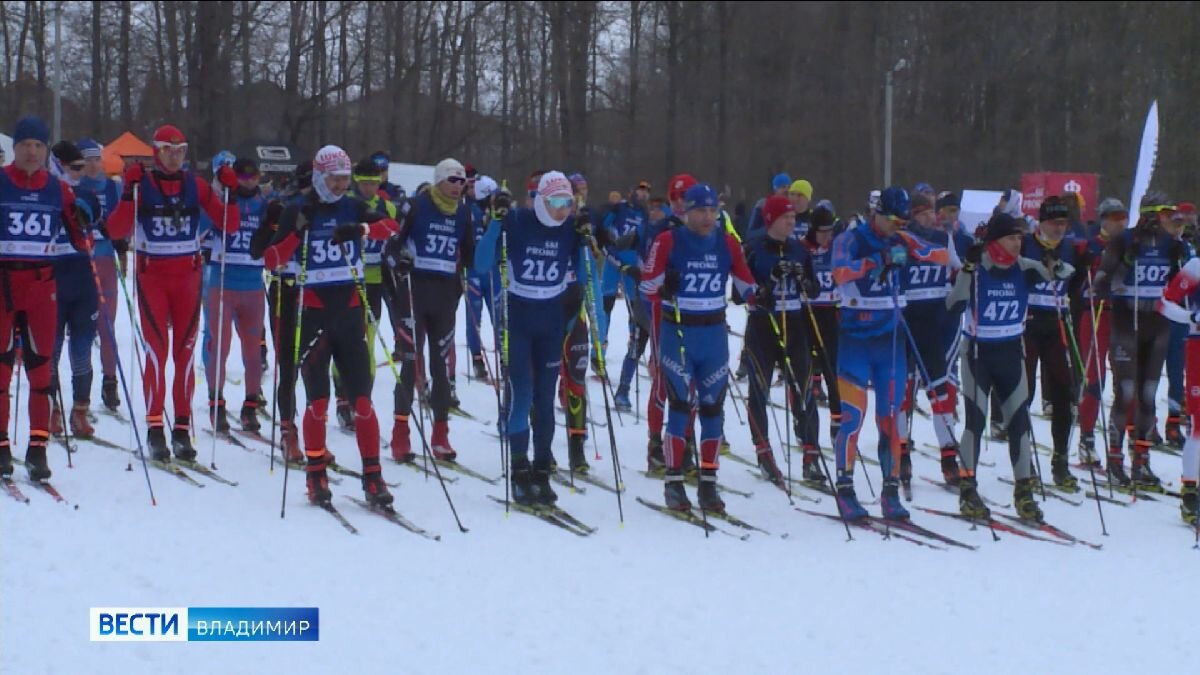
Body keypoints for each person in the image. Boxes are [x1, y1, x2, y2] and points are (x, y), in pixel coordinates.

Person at [262, 145, 400, 506]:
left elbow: (391, 227)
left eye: (344, 179)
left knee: (363, 402)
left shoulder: (351, 206)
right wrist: (296, 233)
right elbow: (271, 259)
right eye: (335, 179)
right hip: (313, 314)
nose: (340, 186)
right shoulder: (298, 208)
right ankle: (315, 475)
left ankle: (373, 477)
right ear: (321, 178)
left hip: (351, 312)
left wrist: (362, 229)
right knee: (318, 401)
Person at [103, 124, 240, 461]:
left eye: (180, 151)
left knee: (184, 354)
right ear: (155, 151)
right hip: (153, 277)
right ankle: (154, 428)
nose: (175, 157)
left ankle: (181, 427)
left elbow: (229, 224)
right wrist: (126, 191)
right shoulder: (141, 184)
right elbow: (115, 231)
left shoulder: (195, 185)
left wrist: (231, 194)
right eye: (168, 150)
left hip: (188, 277)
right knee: (155, 353)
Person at [472, 171, 593, 504]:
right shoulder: (517, 220)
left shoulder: (569, 228)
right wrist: (495, 223)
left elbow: (583, 279)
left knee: (544, 401)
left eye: (568, 203)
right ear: (541, 200)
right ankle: (520, 469)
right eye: (555, 202)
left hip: (551, 320)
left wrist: (585, 241)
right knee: (522, 395)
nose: (562, 210)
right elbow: (481, 264)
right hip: (519, 319)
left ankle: (541, 469)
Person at [829, 186, 947, 521]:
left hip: (890, 339)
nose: (897, 225)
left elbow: (940, 256)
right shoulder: (850, 239)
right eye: (892, 219)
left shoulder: (901, 238)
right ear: (875, 213)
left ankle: (890, 491)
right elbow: (838, 273)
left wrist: (913, 250)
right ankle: (845, 489)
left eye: (902, 220)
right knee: (852, 418)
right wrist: (874, 261)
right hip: (855, 339)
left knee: (890, 420)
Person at [641, 183, 757, 512]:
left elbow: (747, 284)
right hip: (678, 334)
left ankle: (708, 483)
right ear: (686, 212)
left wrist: (758, 295)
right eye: (700, 211)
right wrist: (665, 286)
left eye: (712, 210)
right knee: (680, 406)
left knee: (712, 410)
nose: (707, 217)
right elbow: (647, 285)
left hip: (714, 335)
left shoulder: (727, 242)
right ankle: (674, 481)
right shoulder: (668, 240)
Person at [947, 213, 1070, 521]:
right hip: (978, 353)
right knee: (975, 422)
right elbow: (953, 304)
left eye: (1020, 238)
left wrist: (1051, 262)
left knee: (1019, 424)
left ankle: (1024, 494)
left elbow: (1065, 272)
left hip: (1011, 352)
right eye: (1012, 237)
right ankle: (967, 490)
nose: (1018, 243)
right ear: (996, 240)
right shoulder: (978, 267)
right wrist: (966, 269)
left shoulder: (1024, 268)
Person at [0, 117, 92, 481]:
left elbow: (80, 240)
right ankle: (2, 446)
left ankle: (37, 448)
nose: (31, 151)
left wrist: (84, 218)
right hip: (4, 286)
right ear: (16, 147)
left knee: (41, 369)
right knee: (2, 370)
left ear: (44, 150)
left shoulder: (58, 189)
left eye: (38, 145)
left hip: (42, 288)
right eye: (25, 144)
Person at [1091, 190, 1189, 490]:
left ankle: (1141, 460)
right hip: (1126, 325)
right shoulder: (1124, 241)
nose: (1166, 219)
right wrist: (1125, 263)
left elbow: (1181, 284)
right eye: (1162, 213)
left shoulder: (1173, 245)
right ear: (1148, 214)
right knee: (1127, 392)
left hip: (1157, 326)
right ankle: (1115, 460)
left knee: (1148, 393)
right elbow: (1101, 284)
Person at [386, 158, 474, 463]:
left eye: (462, 182)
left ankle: (440, 436)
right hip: (414, 290)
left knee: (440, 367)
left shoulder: (463, 213)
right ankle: (400, 436)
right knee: (411, 364)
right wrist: (402, 260)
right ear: (438, 181)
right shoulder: (416, 206)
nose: (458, 187)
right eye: (452, 180)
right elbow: (391, 246)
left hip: (445, 294)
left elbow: (470, 254)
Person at [742, 195, 817, 486]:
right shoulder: (754, 247)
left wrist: (803, 281)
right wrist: (771, 280)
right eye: (786, 218)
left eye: (793, 218)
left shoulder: (799, 248)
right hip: (763, 323)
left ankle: (810, 456)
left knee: (804, 387)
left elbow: (813, 288)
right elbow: (740, 293)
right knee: (758, 388)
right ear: (771, 219)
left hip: (795, 324)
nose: (792, 222)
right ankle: (764, 453)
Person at [896, 191, 965, 488]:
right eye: (923, 213)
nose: (929, 218)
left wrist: (958, 296)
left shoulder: (941, 238)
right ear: (911, 215)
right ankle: (901, 454)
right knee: (903, 392)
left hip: (935, 323)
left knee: (942, 393)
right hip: (906, 321)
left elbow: (958, 269)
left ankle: (949, 458)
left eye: (930, 213)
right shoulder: (899, 239)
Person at [1020, 195, 1088, 489]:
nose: (1059, 228)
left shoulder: (1071, 248)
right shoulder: (1024, 243)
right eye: (1054, 223)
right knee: (1023, 394)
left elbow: (1077, 285)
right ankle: (1025, 463)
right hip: (1026, 323)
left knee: (1064, 392)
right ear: (1042, 222)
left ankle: (1060, 461)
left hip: (1056, 323)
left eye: (1064, 223)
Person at [249, 161, 312, 463]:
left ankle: (314, 431)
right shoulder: (282, 207)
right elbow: (257, 249)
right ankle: (289, 431)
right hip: (285, 289)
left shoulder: (333, 209)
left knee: (314, 362)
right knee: (288, 363)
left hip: (318, 290)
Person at [330, 157, 397, 429]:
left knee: (367, 341)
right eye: (364, 183)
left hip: (374, 280)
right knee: (344, 339)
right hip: (346, 279)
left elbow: (393, 234)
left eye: (374, 182)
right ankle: (341, 397)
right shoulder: (346, 204)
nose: (369, 188)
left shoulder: (386, 206)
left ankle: (361, 397)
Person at [204, 157, 268, 433]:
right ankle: (216, 403)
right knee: (219, 345)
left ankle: (250, 405)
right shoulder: (222, 201)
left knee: (253, 350)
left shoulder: (265, 205)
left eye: (253, 177)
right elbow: (203, 235)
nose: (248, 182)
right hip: (222, 281)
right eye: (243, 177)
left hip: (253, 283)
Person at [44, 142, 103, 439]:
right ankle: (51, 409)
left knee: (81, 351)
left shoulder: (86, 193)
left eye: (82, 168)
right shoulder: (45, 193)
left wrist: (82, 212)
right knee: (51, 351)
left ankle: (80, 411)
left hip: (83, 280)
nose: (80, 173)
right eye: (74, 168)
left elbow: (95, 212)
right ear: (57, 165)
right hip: (54, 281)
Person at [1074, 198, 1128, 467]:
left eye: (1123, 217)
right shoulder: (1091, 245)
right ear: (1104, 219)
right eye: (1115, 217)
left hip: (1123, 317)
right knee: (1094, 377)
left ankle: (1118, 445)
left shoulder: (1130, 244)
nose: (1120, 222)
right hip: (1094, 315)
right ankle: (1086, 439)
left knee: (1124, 381)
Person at [76, 138, 124, 413]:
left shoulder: (112, 186)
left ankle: (110, 381)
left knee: (107, 326)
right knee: (82, 330)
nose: (93, 164)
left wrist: (120, 240)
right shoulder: (75, 186)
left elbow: (122, 219)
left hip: (105, 258)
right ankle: (82, 385)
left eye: (97, 159)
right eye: (87, 160)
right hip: (80, 260)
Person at [796, 203, 841, 481]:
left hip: (832, 315)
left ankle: (838, 427)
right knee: (806, 376)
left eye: (831, 231)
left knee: (834, 374)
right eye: (823, 232)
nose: (827, 236)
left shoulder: (837, 248)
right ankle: (806, 431)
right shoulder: (801, 249)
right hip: (806, 314)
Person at [1157, 251, 1200, 523]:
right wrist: (1190, 318)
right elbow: (1164, 303)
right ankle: (1190, 490)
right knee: (1198, 426)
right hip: (1198, 346)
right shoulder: (1196, 266)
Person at [464, 175, 503, 382]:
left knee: (500, 317)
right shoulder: (469, 211)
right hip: (474, 272)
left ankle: (505, 359)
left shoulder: (499, 213)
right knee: (474, 318)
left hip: (495, 272)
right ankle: (477, 359)